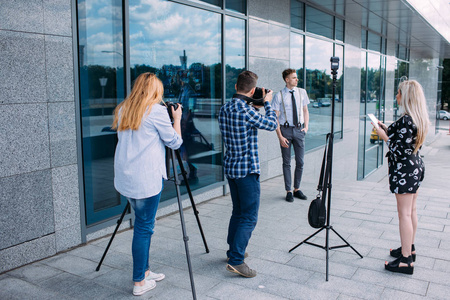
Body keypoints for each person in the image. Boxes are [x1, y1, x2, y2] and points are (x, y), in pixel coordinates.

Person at [112, 72, 183, 295]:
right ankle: (139, 283)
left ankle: (145, 271)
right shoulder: (157, 111)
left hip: (127, 178)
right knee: (144, 228)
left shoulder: (125, 108)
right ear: (155, 91)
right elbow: (175, 142)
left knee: (143, 225)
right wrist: (177, 119)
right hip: (145, 180)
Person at [218, 71, 278, 277]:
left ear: (236, 87)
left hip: (232, 168)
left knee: (238, 212)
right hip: (247, 170)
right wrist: (267, 102)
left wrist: (255, 104)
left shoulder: (225, 108)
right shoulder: (246, 111)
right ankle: (236, 260)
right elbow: (271, 124)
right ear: (252, 90)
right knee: (249, 216)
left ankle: (232, 251)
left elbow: (244, 116)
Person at [373, 79, 429, 275]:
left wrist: (384, 136)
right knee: (411, 211)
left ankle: (405, 261)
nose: (396, 96)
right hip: (414, 168)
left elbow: (399, 149)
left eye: (398, 93)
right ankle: (409, 248)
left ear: (405, 96)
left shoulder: (406, 120)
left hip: (405, 170)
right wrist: (387, 129)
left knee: (404, 214)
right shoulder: (417, 118)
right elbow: (405, 140)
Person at [271, 69, 310, 202]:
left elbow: (305, 110)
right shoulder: (279, 95)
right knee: (286, 162)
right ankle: (288, 191)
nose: (296, 79)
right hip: (285, 131)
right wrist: (280, 136)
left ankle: (297, 189)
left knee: (300, 162)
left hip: (299, 130)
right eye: (293, 78)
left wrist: (306, 127)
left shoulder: (302, 92)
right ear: (287, 80)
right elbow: (274, 117)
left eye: (296, 77)